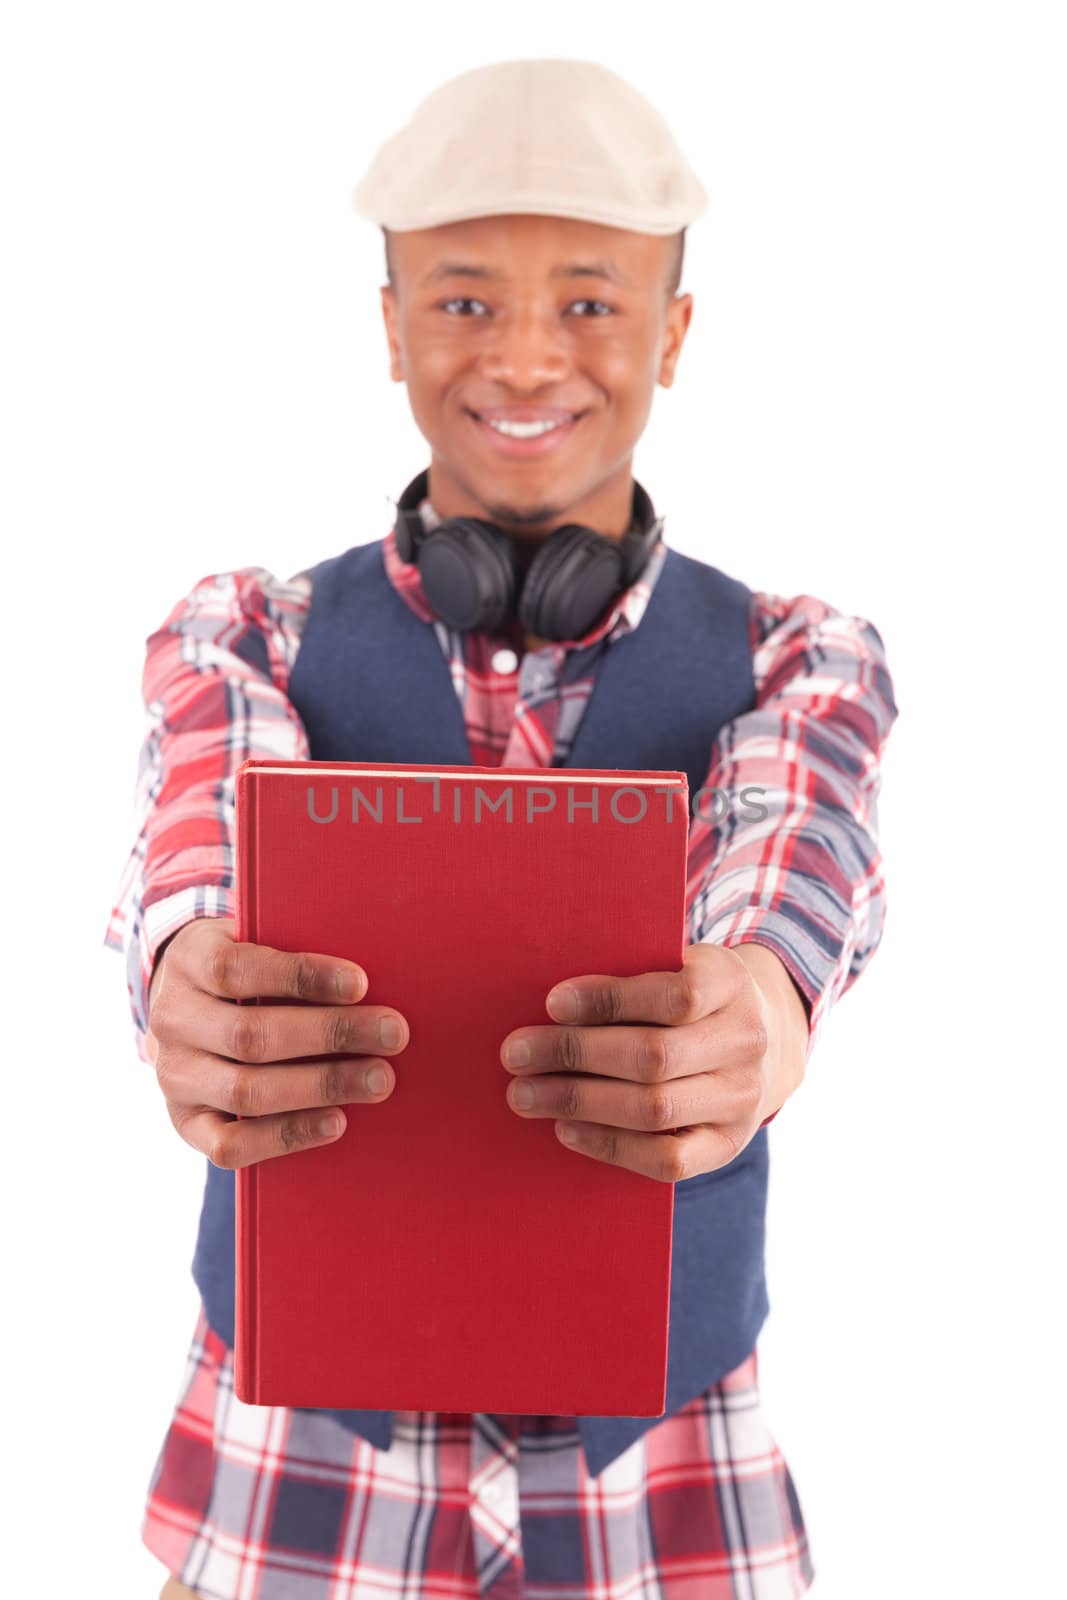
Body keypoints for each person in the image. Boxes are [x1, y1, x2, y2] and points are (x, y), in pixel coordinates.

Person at [104, 57, 898, 1600]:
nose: (528, 354)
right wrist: (185, 966)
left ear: (674, 330)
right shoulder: (244, 635)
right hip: (295, 1468)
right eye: (465, 300)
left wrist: (759, 1010)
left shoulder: (799, 661)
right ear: (390, 323)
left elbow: (798, 854)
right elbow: (196, 827)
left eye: (592, 302)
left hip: (661, 1474)